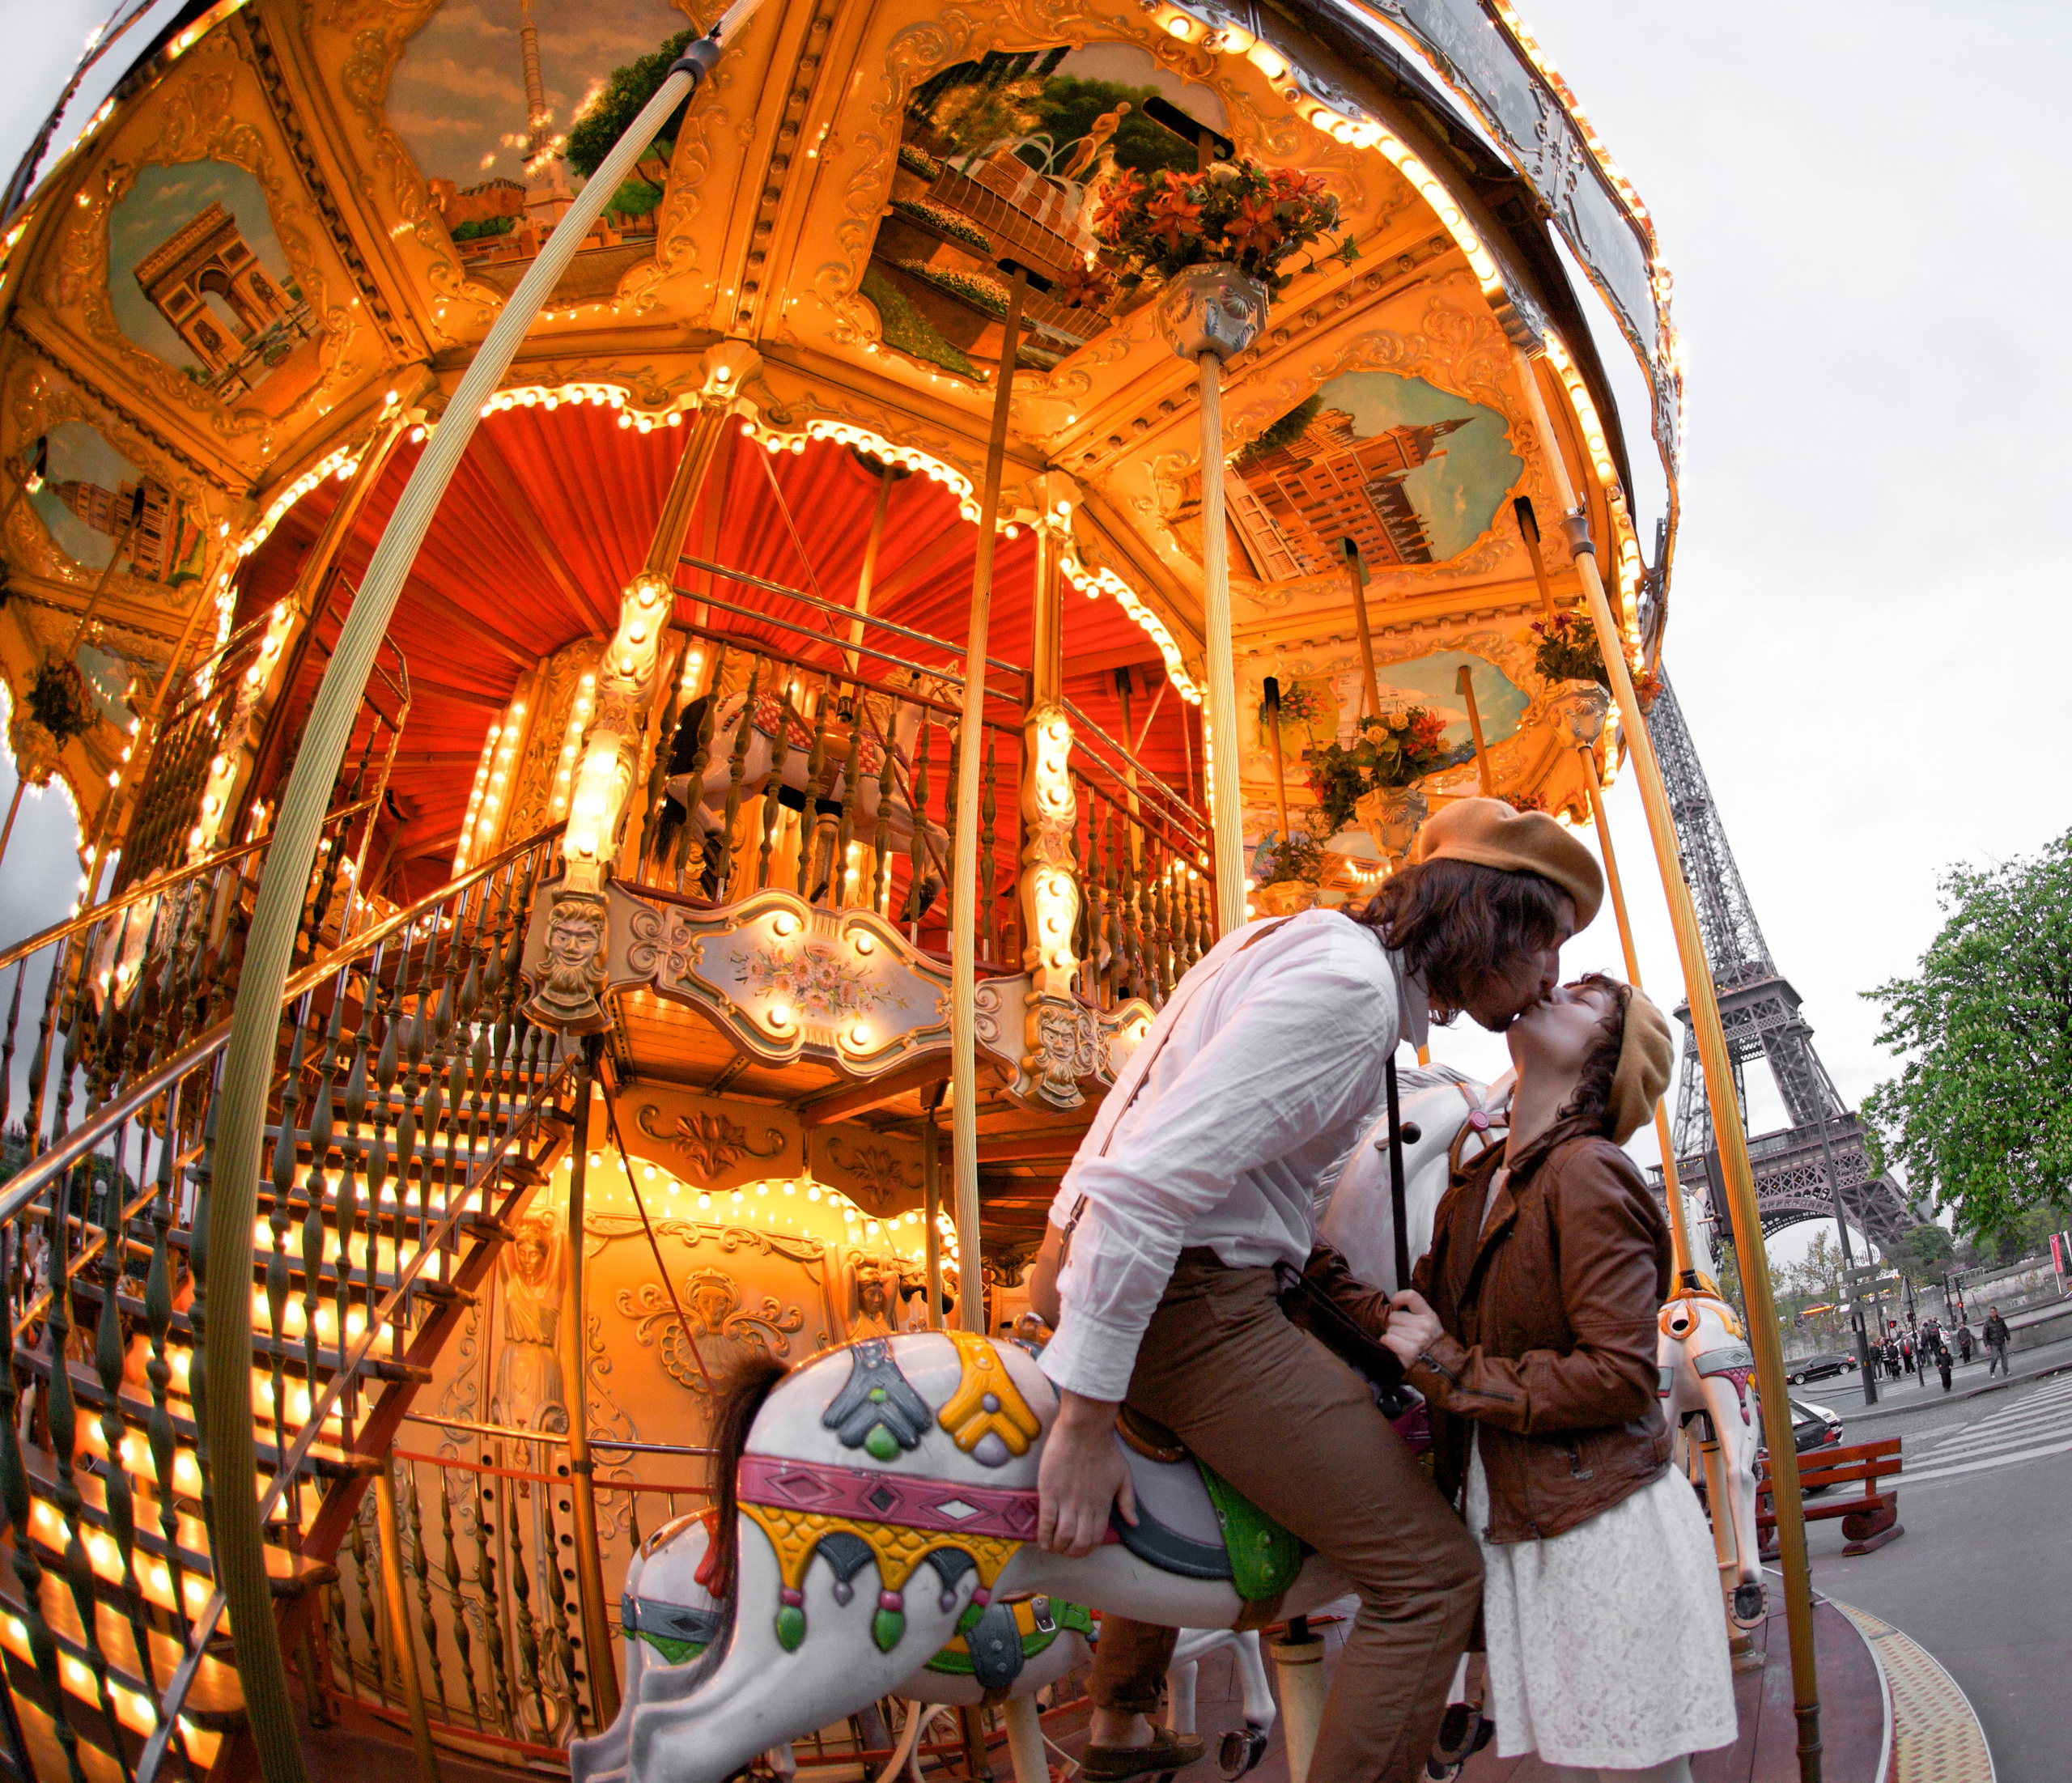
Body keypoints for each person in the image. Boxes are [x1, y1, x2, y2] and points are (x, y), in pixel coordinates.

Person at [1031, 799, 1604, 1783]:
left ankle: (1128, 1712)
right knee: (1427, 1577)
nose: (1550, 974)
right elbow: (1149, 1184)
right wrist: (1084, 1415)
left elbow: (1208, 1174)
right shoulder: (1349, 990)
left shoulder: (1298, 941)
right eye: (1546, 941)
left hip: (1154, 1271)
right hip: (1182, 1298)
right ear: (1491, 918)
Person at [1382, 977, 1734, 1783]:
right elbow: (1415, 1322)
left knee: (1637, 1772)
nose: (1552, 990)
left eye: (1582, 998)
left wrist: (1441, 1361)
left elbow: (1616, 1374)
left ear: (1601, 1062)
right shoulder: (1477, 1189)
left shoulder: (1588, 1171)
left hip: (1601, 1519)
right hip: (1526, 1519)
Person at [1984, 1306, 2011, 1377]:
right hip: (1993, 1343)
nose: (1992, 1313)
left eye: (1993, 1312)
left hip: (2001, 1341)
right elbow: (1985, 1335)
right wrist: (1987, 1344)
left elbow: (2005, 1329)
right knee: (1995, 1357)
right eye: (1991, 1312)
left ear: (1996, 1312)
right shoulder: (1987, 1323)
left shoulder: (2001, 1320)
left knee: (2004, 1357)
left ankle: (2006, 1372)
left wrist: (2008, 1338)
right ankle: (1992, 1371)